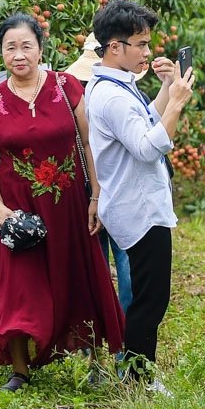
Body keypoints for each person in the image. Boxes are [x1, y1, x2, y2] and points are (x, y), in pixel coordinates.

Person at [0, 16, 126, 391]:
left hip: (69, 204)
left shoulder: (66, 85)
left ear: (41, 48)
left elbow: (91, 143)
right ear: (1, 53)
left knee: (80, 275)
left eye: (26, 45)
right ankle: (20, 371)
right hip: (16, 212)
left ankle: (96, 361)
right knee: (19, 286)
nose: (19, 54)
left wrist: (96, 194)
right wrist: (0, 208)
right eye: (10, 47)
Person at [84, 0, 194, 391]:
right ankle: (138, 378)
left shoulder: (115, 86)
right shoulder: (111, 96)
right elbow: (149, 147)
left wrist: (166, 89)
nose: (148, 52)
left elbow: (147, 120)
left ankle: (136, 373)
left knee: (149, 296)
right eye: (141, 44)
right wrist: (178, 103)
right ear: (116, 47)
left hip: (142, 204)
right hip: (138, 209)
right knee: (150, 300)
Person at [65, 34, 132, 313]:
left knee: (111, 266)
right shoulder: (75, 100)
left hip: (102, 192)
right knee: (111, 266)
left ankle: (119, 335)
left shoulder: (76, 98)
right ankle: (117, 335)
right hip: (95, 193)